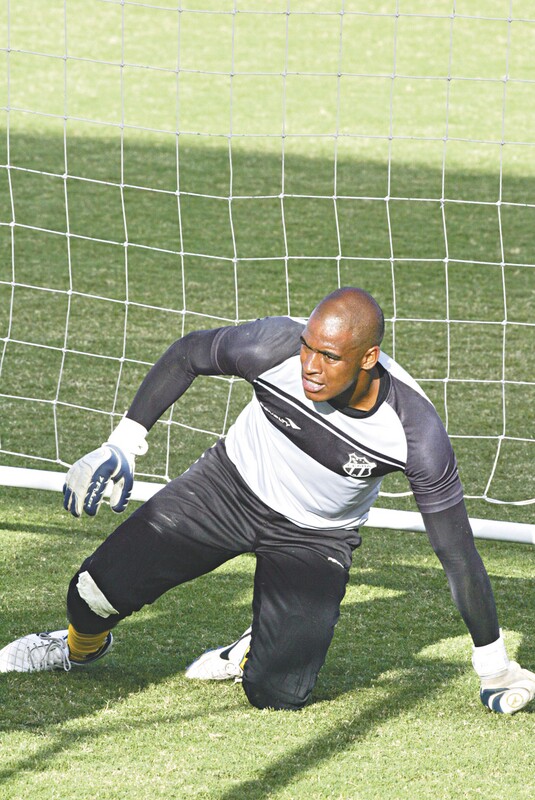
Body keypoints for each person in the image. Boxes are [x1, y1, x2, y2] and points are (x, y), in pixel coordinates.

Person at [1, 287, 534, 715]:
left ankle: (256, 647)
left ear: (369, 358)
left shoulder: (415, 434)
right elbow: (190, 353)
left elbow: (458, 556)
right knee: (90, 595)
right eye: (309, 347)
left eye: (329, 356)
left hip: (314, 535)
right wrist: (123, 442)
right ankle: (78, 649)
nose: (310, 366)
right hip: (226, 488)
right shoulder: (274, 346)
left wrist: (494, 665)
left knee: (277, 696)